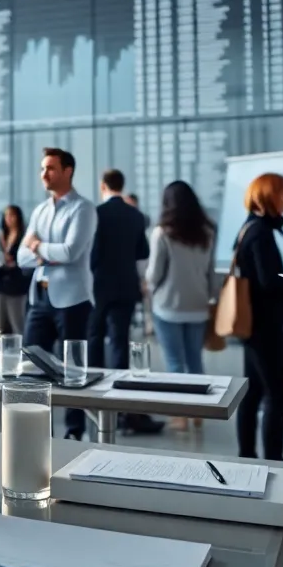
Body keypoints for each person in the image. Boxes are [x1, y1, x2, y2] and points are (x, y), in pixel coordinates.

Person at [19, 147, 96, 440]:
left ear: (67, 171)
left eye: (50, 168)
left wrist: (37, 246)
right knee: (31, 368)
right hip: (39, 298)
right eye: (42, 168)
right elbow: (21, 257)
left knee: (72, 371)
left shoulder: (83, 209)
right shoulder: (40, 210)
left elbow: (71, 252)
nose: (44, 174)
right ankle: (37, 432)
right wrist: (44, 254)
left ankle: (74, 433)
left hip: (72, 300)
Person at [234, 172, 283, 461]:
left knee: (253, 393)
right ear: (269, 195)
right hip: (265, 325)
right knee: (277, 393)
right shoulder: (261, 232)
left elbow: (257, 274)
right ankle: (274, 460)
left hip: (253, 324)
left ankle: (247, 455)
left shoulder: (249, 227)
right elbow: (267, 283)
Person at [89, 168, 160, 435]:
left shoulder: (96, 213)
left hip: (98, 287)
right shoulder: (135, 215)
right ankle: (117, 404)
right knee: (120, 342)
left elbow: (92, 253)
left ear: (103, 186)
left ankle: (94, 397)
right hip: (126, 286)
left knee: (95, 338)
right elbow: (143, 251)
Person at [145, 181, 218, 431]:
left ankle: (180, 416)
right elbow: (211, 272)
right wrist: (210, 297)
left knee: (175, 362)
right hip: (198, 305)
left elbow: (154, 274)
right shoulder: (207, 232)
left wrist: (148, 286)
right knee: (195, 360)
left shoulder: (162, 233)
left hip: (168, 306)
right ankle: (198, 412)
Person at [0, 205, 30, 335]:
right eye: (6, 215)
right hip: (0, 284)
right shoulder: (1, 236)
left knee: (17, 324)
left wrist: (14, 263)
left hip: (16, 286)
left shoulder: (25, 236)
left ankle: (21, 346)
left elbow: (28, 259)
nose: (9, 219)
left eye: (12, 215)